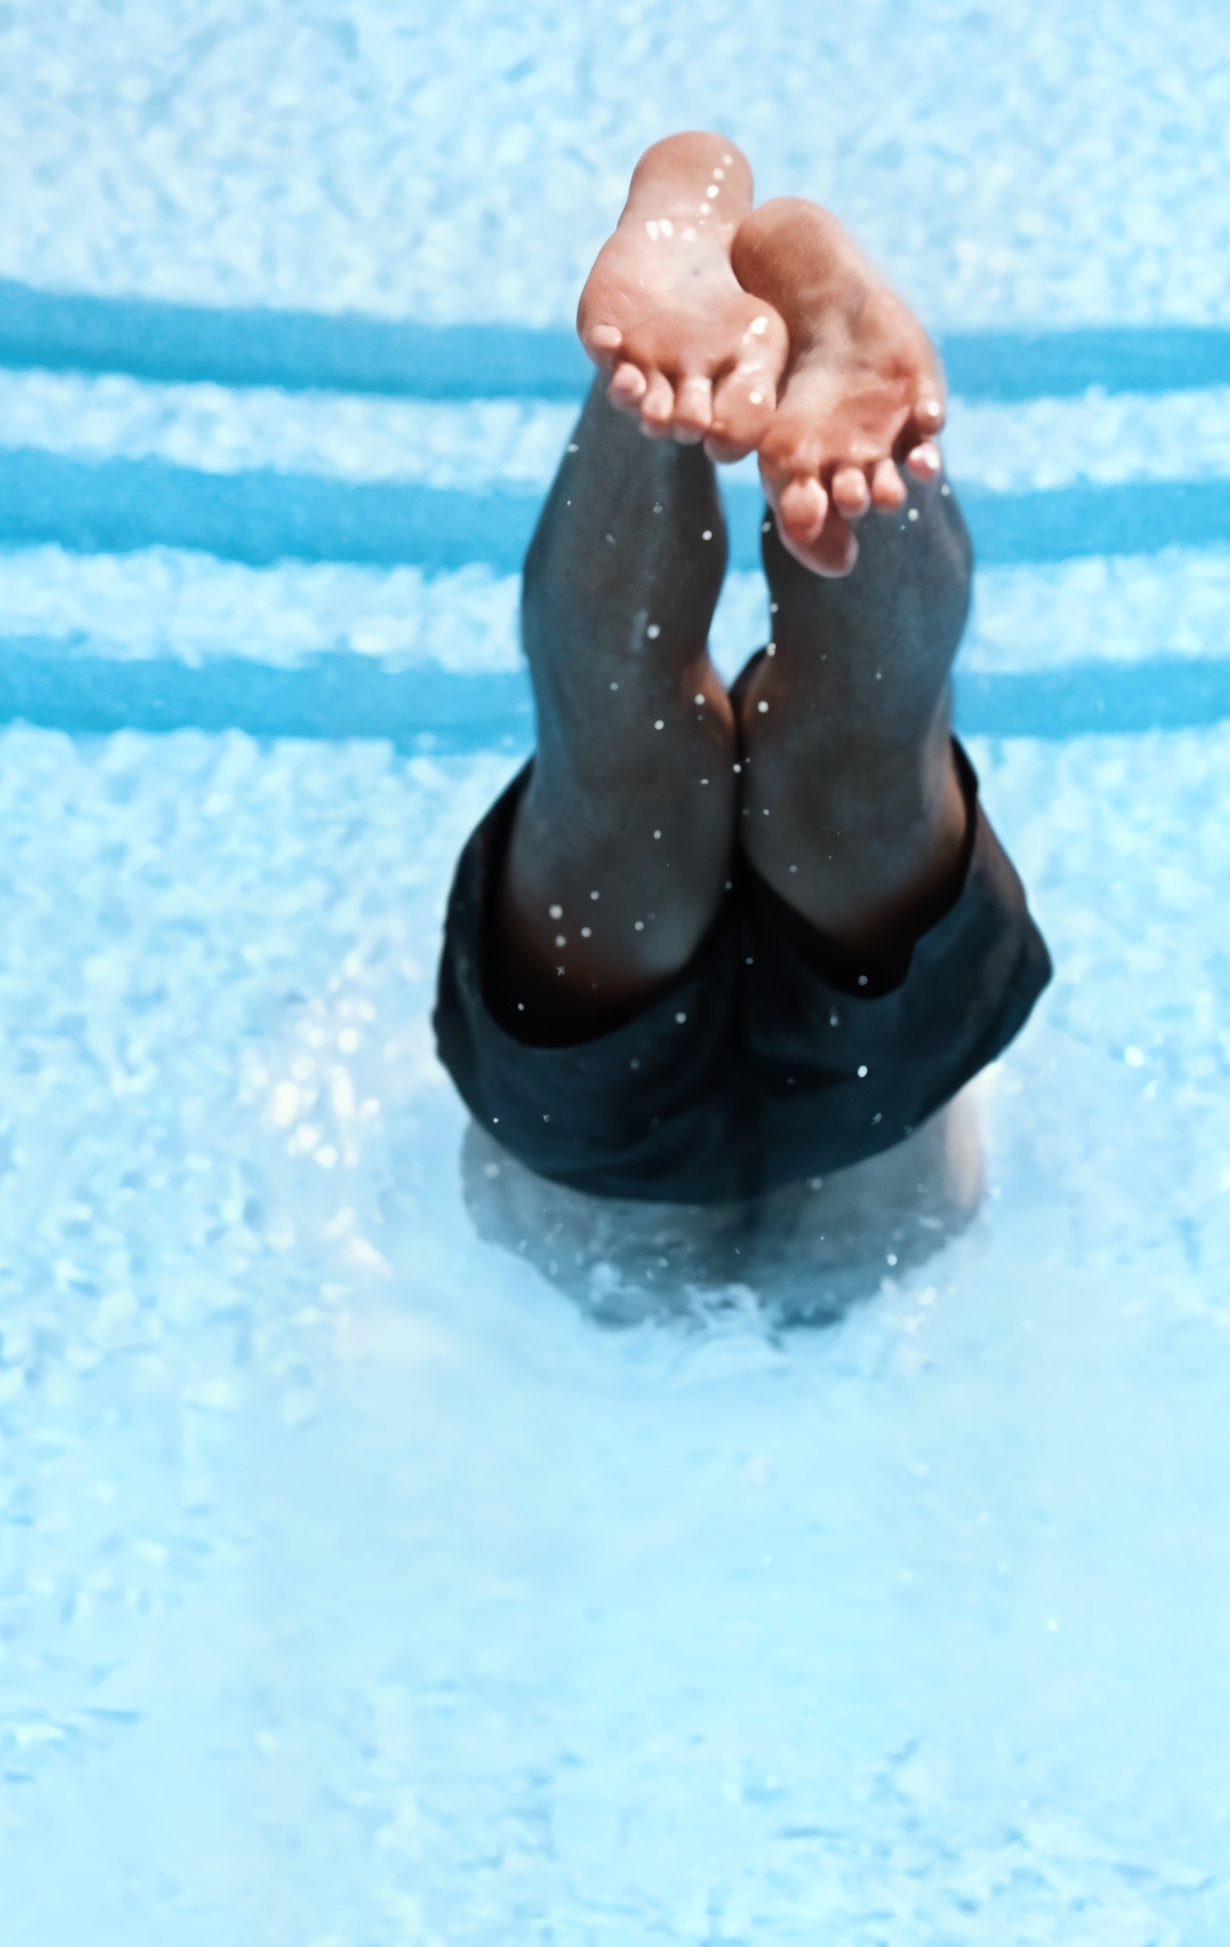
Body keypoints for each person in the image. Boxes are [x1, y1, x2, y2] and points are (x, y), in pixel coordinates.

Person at [435, 132, 1052, 1315]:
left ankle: (653, 396)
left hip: (631, 1153)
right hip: (870, 1131)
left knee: (623, 791)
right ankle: (808, 416)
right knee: (850, 792)